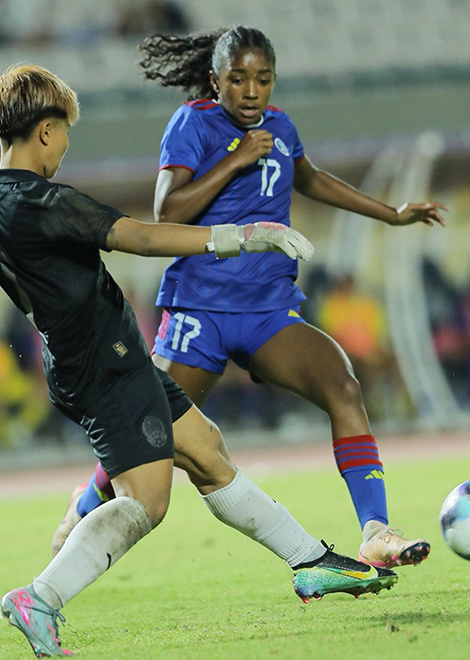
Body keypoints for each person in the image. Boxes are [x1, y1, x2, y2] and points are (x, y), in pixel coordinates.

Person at [0, 64, 397, 657]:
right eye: (65, 133)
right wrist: (241, 235)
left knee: (205, 448)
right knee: (146, 503)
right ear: (46, 131)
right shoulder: (48, 202)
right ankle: (39, 598)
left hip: (90, 361)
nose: (65, 147)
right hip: (106, 367)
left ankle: (310, 562)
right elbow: (144, 238)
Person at [56, 26, 447, 569]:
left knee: (342, 385)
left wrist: (392, 213)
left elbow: (310, 179)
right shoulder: (194, 122)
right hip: (201, 310)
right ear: (216, 80)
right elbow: (169, 212)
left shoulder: (281, 127)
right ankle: (85, 504)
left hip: (268, 311)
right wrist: (235, 161)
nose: (250, 90)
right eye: (237, 79)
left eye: (262, 79)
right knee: (151, 436)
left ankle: (376, 530)